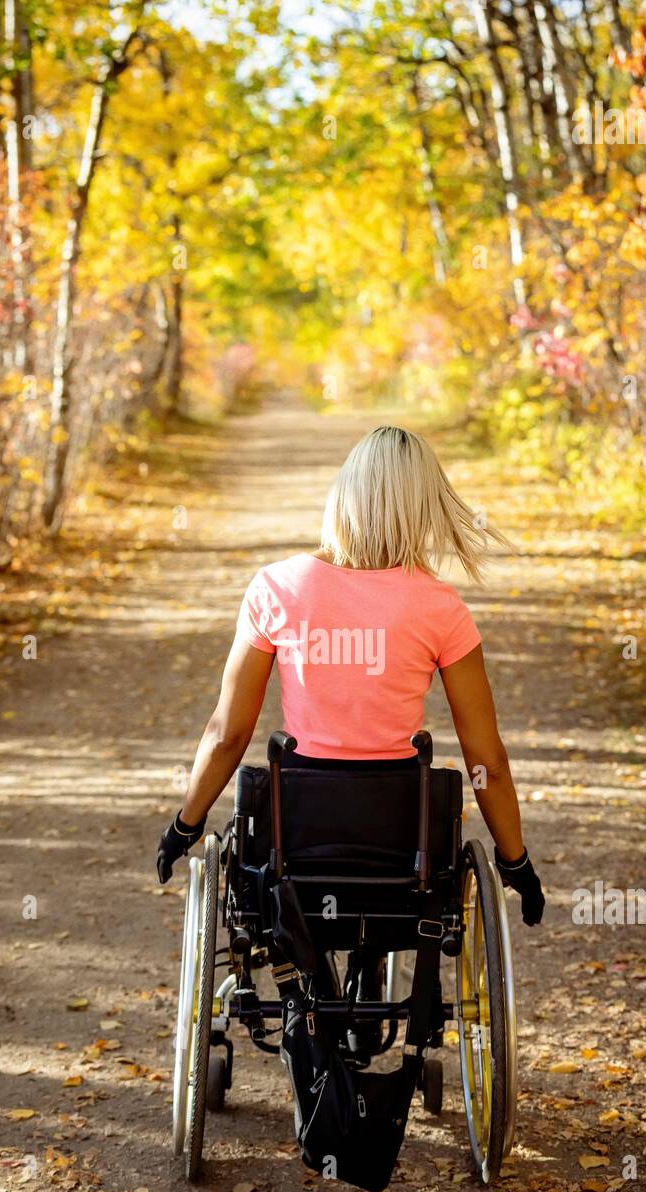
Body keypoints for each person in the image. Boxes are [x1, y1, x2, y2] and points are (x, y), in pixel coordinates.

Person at [157, 425, 545, 1036]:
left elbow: (228, 733)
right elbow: (484, 760)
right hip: (402, 849)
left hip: (294, 845)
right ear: (423, 506)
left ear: (345, 495)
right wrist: (515, 859)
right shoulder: (440, 608)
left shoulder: (278, 588)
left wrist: (187, 822)